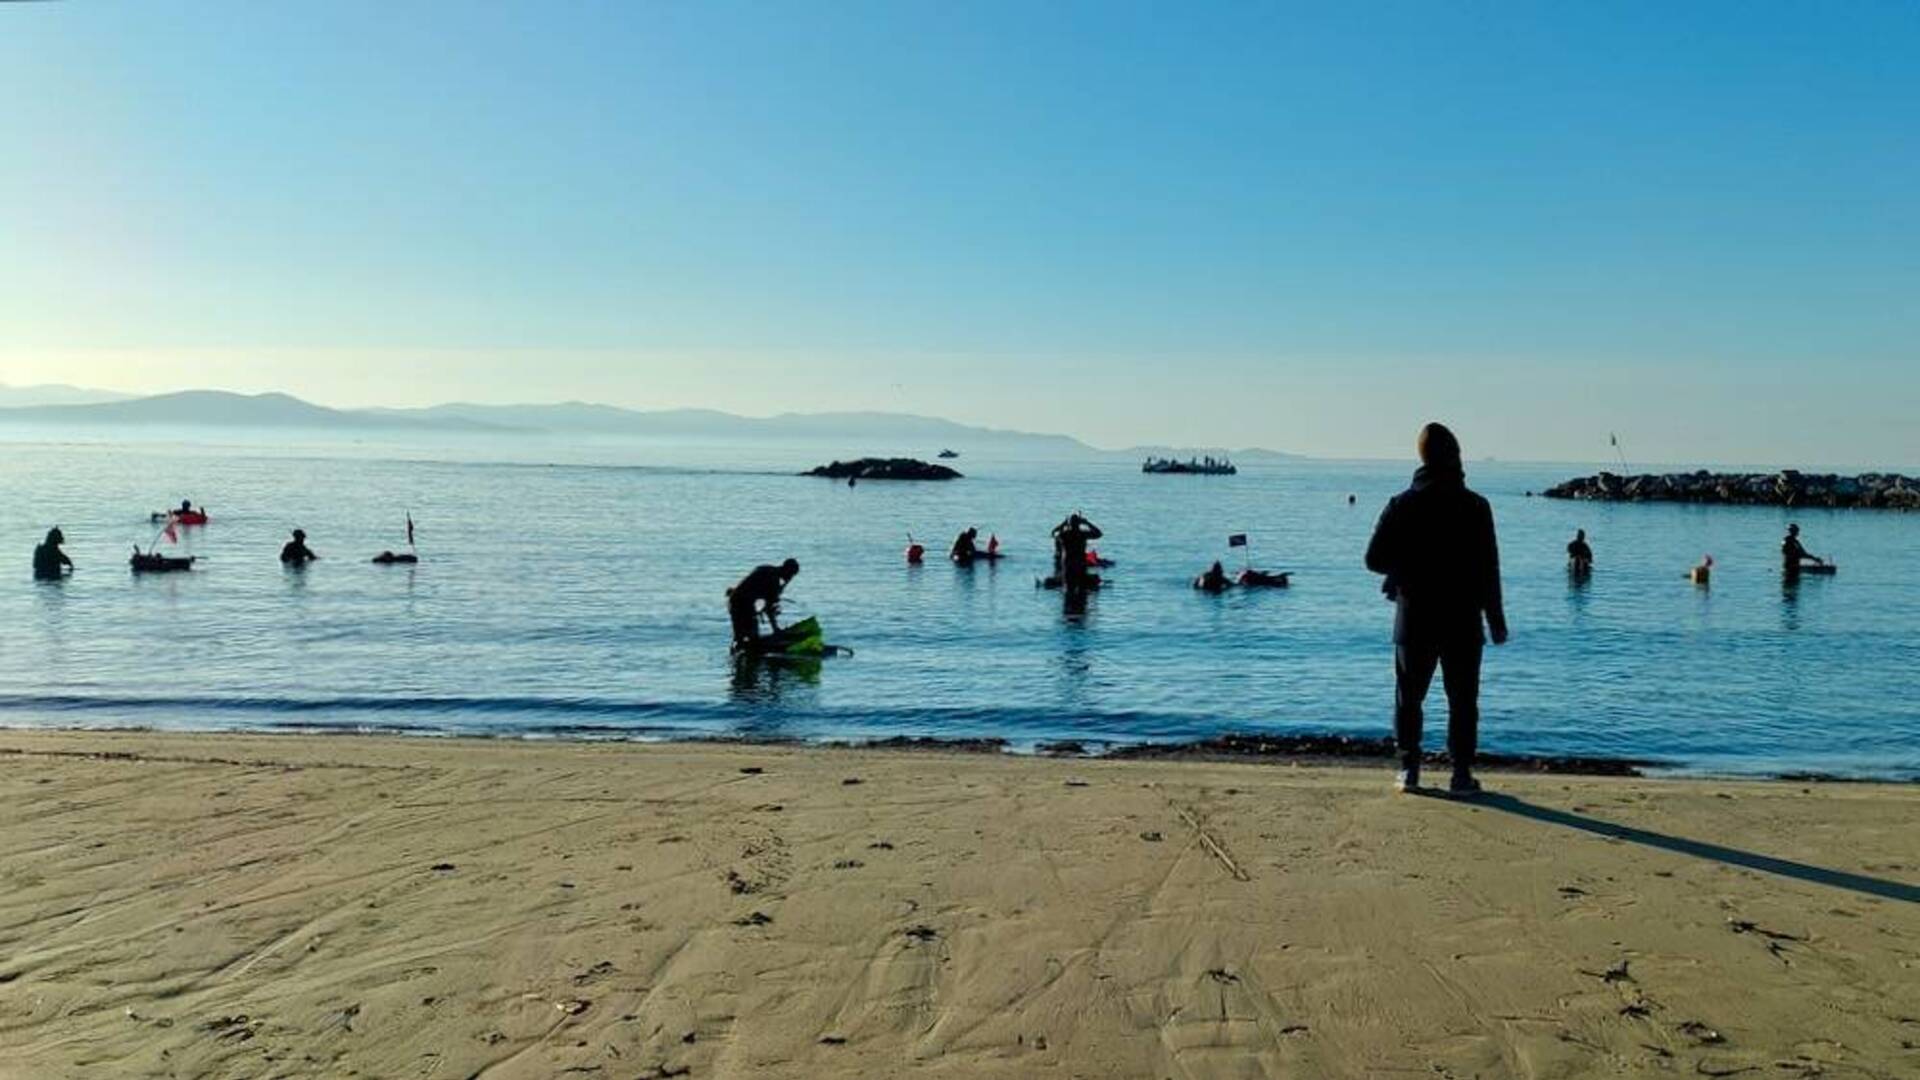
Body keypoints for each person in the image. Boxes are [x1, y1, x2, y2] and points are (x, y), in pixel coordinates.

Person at [1365, 423, 1507, 797]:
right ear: (1455, 456)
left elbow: (1373, 558)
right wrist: (1496, 620)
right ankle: (1460, 774)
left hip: (1415, 617)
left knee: (1409, 698)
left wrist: (1402, 570)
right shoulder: (1476, 506)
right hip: (1463, 618)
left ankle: (1409, 769)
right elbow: (1488, 569)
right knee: (1462, 700)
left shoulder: (1403, 503)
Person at [728, 558, 799, 651]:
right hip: (742, 603)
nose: (791, 578)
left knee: (741, 636)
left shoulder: (767, 569)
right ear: (787, 571)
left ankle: (739, 658)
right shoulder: (773, 580)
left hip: (736, 600)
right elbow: (769, 608)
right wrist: (775, 629)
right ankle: (748, 654)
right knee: (751, 637)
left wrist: (780, 589)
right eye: (791, 575)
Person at [1051, 513, 1103, 593]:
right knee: (1082, 593)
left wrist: (1062, 525)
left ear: (1069, 524)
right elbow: (1099, 533)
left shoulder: (1065, 534)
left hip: (1069, 565)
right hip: (1080, 565)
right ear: (1079, 524)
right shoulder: (1082, 534)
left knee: (1069, 592)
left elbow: (1054, 533)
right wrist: (1087, 523)